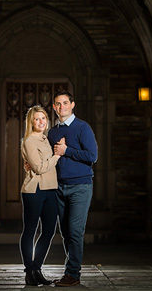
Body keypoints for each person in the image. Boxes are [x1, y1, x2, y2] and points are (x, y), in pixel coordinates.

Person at [48, 90, 98, 287]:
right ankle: (70, 272)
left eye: (65, 103)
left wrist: (66, 150)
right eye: (58, 104)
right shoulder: (53, 133)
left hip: (80, 186)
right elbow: (50, 159)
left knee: (75, 231)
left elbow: (92, 156)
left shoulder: (82, 128)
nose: (62, 107)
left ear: (72, 105)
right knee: (66, 232)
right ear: (54, 107)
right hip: (59, 187)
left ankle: (73, 274)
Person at [20, 105, 60, 286]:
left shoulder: (47, 139)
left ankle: (37, 268)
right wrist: (57, 156)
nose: (41, 122)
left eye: (43, 118)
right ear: (31, 122)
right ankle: (29, 271)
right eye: (37, 119)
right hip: (34, 190)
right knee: (30, 231)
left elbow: (38, 164)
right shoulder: (29, 140)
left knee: (49, 231)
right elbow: (38, 168)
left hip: (51, 189)